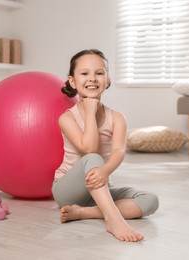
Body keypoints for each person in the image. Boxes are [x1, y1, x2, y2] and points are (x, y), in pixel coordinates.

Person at [51, 49, 159, 242]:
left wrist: (105, 171)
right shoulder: (67, 118)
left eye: (99, 73)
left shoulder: (117, 118)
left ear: (107, 80)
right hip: (67, 190)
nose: (92, 79)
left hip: (99, 187)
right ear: (72, 81)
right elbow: (89, 148)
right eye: (84, 73)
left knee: (150, 200)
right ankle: (113, 219)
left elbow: (118, 151)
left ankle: (85, 212)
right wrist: (90, 112)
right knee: (92, 158)